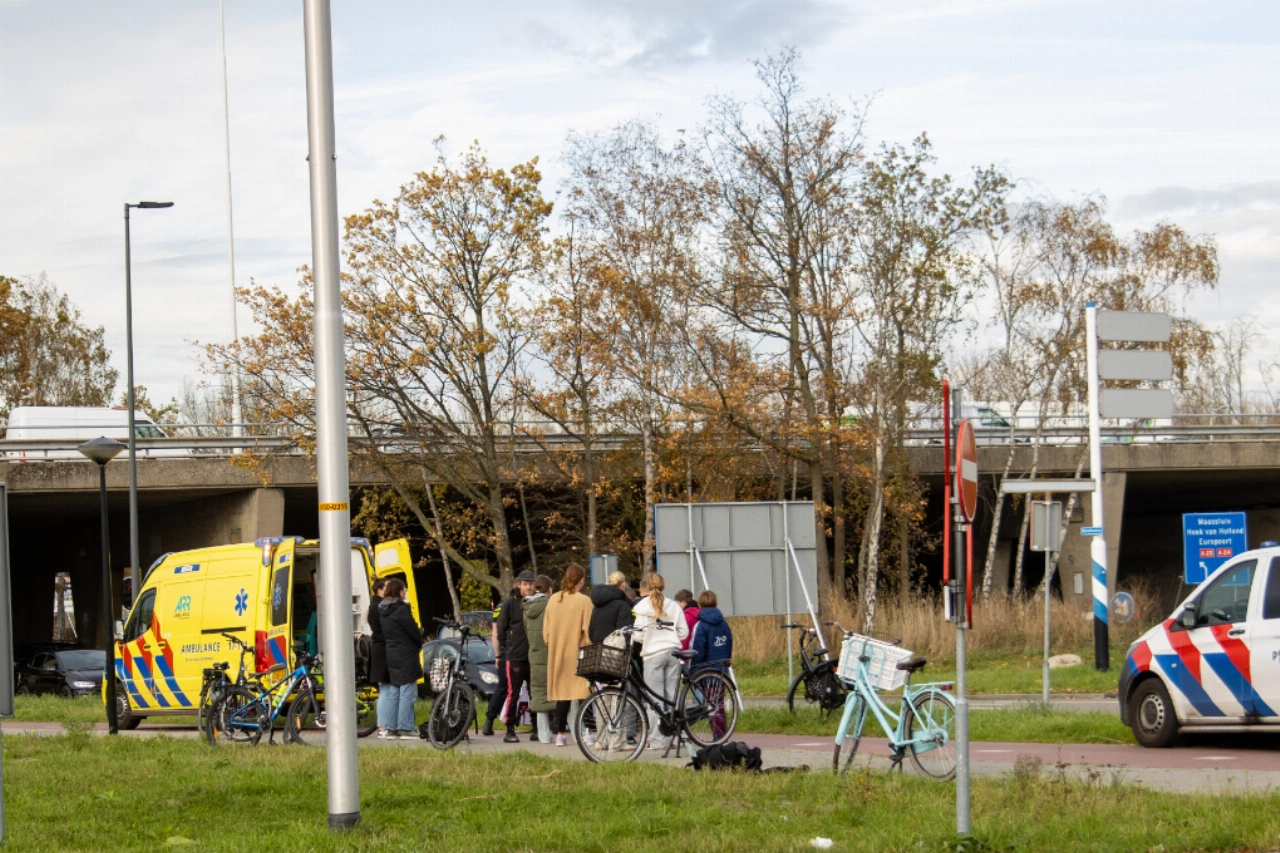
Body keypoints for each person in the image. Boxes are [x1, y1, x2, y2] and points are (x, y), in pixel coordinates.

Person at [631, 573, 688, 750]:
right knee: (673, 697)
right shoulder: (673, 605)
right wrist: (670, 637)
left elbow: (639, 634)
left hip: (652, 655)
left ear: (647, 586)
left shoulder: (642, 608)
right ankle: (680, 736)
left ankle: (658, 740)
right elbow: (683, 631)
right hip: (672, 653)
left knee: (655, 700)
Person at [543, 564, 593, 746]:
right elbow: (588, 631)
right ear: (581, 580)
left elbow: (546, 632)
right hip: (578, 652)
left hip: (558, 653)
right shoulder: (584, 601)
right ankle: (587, 732)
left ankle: (560, 735)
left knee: (562, 695)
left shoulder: (554, 600)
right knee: (584, 693)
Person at [377, 578, 423, 739]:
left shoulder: (383, 610)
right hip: (406, 653)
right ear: (398, 591)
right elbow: (412, 630)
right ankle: (405, 727)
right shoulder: (401, 610)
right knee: (407, 692)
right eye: (403, 589)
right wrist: (420, 640)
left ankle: (390, 727)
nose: (405, 593)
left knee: (394, 691)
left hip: (392, 653)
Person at [493, 570, 535, 743]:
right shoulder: (510, 603)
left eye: (531, 583)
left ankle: (537, 728)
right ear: (519, 584)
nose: (529, 587)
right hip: (515, 655)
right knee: (514, 693)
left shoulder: (537, 602)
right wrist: (505, 648)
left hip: (533, 655)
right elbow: (500, 628)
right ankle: (510, 729)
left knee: (535, 694)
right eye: (525, 584)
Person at [690, 589, 733, 740]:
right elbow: (729, 643)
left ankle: (718, 736)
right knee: (718, 703)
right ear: (716, 603)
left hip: (706, 671)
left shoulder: (700, 625)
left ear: (699, 605)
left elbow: (697, 650)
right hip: (721, 669)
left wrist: (693, 671)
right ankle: (722, 733)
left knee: (711, 705)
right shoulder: (724, 624)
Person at [523, 574, 555, 744]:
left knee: (539, 692)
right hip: (551, 652)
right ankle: (575, 728)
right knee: (565, 692)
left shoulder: (526, 606)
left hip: (534, 653)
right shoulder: (551, 605)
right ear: (550, 589)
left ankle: (544, 734)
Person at [367, 578, 390, 738]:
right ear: (380, 589)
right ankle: (383, 727)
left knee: (385, 689)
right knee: (385, 689)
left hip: (379, 650)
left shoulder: (374, 606)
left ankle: (384, 725)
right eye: (388, 587)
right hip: (382, 650)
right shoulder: (379, 607)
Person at [589, 570, 634, 645]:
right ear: (623, 584)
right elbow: (624, 632)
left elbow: (591, 631)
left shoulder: (597, 605)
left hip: (598, 649)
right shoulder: (623, 605)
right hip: (614, 650)